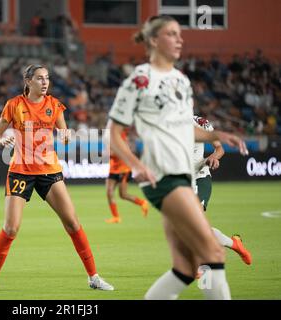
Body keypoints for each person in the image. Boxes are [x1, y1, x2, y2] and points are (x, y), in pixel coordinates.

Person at [108, 15, 248, 300]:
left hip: (182, 176)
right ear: (153, 40)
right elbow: (112, 133)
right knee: (212, 251)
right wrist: (135, 165)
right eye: (172, 34)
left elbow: (187, 129)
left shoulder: (181, 81)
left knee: (184, 268)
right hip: (162, 176)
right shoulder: (138, 80)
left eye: (179, 34)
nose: (180, 39)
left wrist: (218, 136)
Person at [0, 64, 114, 292]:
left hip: (49, 171)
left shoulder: (54, 105)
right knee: (11, 228)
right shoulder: (14, 105)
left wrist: (67, 136)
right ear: (28, 81)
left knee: (72, 223)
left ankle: (94, 277)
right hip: (20, 171)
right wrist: (0, 141)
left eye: (47, 78)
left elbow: (64, 134)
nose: (44, 82)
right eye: (39, 78)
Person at [193, 115, 252, 265]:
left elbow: (219, 148)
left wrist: (213, 158)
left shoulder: (200, 123)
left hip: (200, 177)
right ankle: (234, 244)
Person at [105, 122, 148, 224]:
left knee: (123, 194)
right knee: (109, 192)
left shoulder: (120, 137)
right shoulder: (111, 136)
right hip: (113, 168)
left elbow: (120, 152)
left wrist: (110, 153)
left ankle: (142, 202)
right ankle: (116, 217)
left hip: (123, 168)